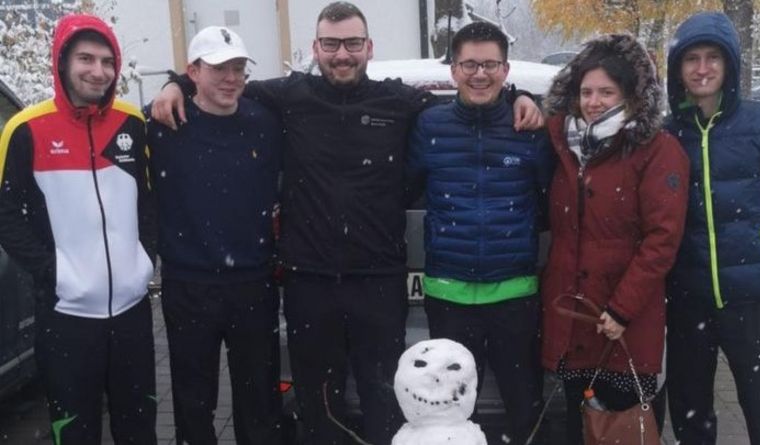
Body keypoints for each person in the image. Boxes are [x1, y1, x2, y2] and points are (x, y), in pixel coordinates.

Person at [150, 3, 543, 444]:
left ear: (368, 47)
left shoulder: (399, 101)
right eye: (332, 44)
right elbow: (224, 82)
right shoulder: (288, 97)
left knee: (384, 405)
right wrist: (176, 83)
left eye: (353, 43)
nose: (342, 54)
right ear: (315, 48)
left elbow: (474, 95)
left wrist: (518, 96)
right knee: (319, 410)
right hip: (308, 284)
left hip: (377, 283)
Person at [0, 14, 156, 445]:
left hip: (132, 313)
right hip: (66, 316)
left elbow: (148, 203)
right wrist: (53, 273)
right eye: (86, 58)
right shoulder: (26, 128)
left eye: (107, 61)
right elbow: (7, 216)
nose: (98, 71)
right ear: (63, 61)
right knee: (74, 432)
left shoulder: (131, 123)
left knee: (139, 428)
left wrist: (144, 261)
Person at [407, 21, 553, 444]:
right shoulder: (429, 127)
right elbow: (403, 187)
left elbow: (548, 200)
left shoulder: (529, 128)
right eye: (469, 64)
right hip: (448, 297)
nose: (479, 74)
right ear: (453, 70)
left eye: (490, 64)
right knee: (448, 417)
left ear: (506, 71)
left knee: (526, 410)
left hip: (515, 295)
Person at [539, 33, 689, 445]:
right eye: (586, 91)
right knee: (580, 426)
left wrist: (622, 309)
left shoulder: (656, 149)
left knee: (623, 430)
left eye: (606, 91)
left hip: (624, 325)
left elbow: (662, 239)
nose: (594, 101)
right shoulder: (564, 146)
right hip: (576, 323)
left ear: (630, 95)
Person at [144, 26, 284, 445]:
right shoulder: (165, 123)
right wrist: (171, 85)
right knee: (192, 399)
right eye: (219, 68)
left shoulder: (265, 123)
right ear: (193, 72)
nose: (231, 78)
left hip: (253, 283)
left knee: (259, 398)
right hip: (189, 285)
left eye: (239, 68)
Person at [664, 11, 760, 445]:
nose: (702, 69)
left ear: (730, 64)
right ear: (677, 70)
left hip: (752, 296)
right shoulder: (667, 135)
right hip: (687, 297)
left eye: (712, 57)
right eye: (691, 59)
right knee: (690, 411)